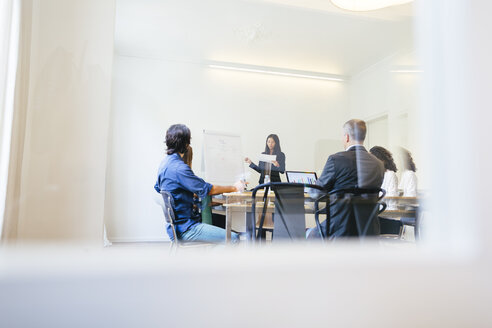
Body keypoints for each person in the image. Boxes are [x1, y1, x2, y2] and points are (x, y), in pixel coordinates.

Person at [154, 124, 246, 243]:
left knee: (220, 225)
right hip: (186, 229)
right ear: (186, 143)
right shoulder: (179, 168)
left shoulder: (164, 164)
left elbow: (158, 188)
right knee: (233, 239)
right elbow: (208, 189)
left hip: (174, 228)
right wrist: (235, 187)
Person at [308, 119, 385, 239]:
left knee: (308, 234)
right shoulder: (378, 164)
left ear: (347, 137)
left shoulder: (335, 160)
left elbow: (315, 193)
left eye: (342, 136)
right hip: (369, 233)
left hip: (338, 230)